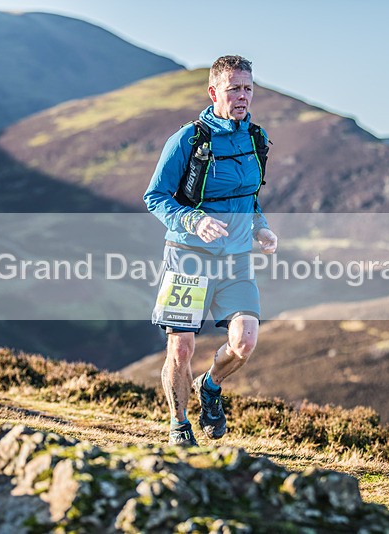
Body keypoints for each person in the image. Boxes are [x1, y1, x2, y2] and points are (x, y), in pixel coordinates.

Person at [144, 55, 278, 446]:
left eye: (248, 88)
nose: (243, 96)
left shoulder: (255, 138)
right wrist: (192, 220)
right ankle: (179, 424)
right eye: (234, 88)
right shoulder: (188, 139)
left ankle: (211, 386)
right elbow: (155, 197)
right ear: (214, 91)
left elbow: (248, 197)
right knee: (181, 347)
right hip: (187, 255)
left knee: (245, 342)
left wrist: (262, 228)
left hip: (236, 259)